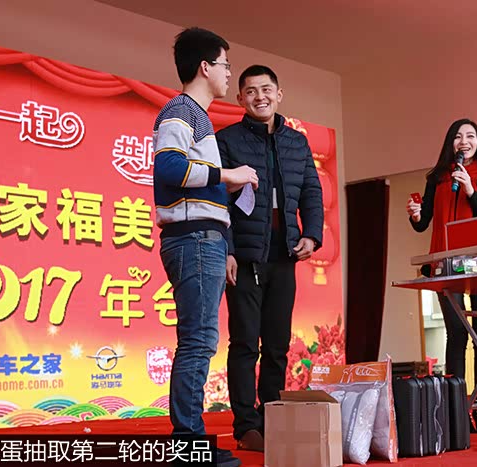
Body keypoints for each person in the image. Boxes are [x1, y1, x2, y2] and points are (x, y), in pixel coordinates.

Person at [152, 27, 258, 467]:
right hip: (194, 238)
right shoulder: (182, 111)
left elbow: (190, 178)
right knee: (197, 341)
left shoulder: (196, 116)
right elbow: (169, 168)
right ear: (205, 67)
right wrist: (227, 175)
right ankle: (188, 444)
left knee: (199, 340)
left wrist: (224, 188)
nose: (229, 73)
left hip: (203, 237)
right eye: (226, 65)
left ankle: (189, 440)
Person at [216, 65, 323, 451]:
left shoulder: (297, 142)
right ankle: (246, 426)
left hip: (284, 255)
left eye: (266, 89)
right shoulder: (226, 140)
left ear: (279, 94)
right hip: (245, 257)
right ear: (240, 98)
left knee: (277, 344)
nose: (259, 97)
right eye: (250, 91)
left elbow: (311, 190)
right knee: (245, 342)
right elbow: (217, 199)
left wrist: (311, 234)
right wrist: (227, 249)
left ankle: (272, 418)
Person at [407, 118, 477, 434]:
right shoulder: (437, 178)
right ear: (451, 143)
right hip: (446, 262)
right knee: (456, 333)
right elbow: (424, 222)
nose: (464, 141)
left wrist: (471, 191)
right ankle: (458, 409)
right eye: (458, 136)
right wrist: (416, 215)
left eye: (470, 136)